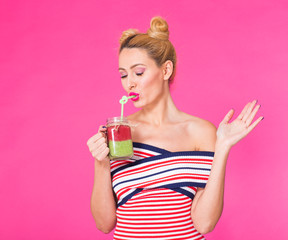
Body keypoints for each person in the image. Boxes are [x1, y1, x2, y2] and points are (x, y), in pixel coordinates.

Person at [87, 16, 263, 240]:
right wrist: (101, 163)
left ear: (166, 70)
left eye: (138, 72)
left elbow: (204, 223)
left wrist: (223, 147)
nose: (128, 83)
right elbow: (104, 224)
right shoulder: (119, 133)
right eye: (123, 74)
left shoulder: (200, 132)